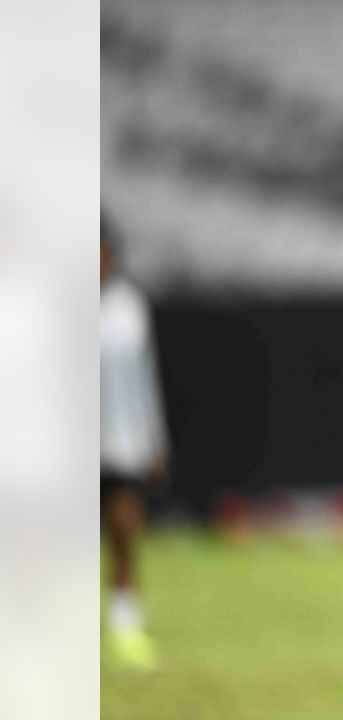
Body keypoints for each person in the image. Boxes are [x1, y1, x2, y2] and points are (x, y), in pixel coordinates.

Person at [100, 214, 170, 671]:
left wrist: (153, 440)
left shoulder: (128, 305)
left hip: (120, 440)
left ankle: (125, 626)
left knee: (124, 532)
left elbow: (142, 378)